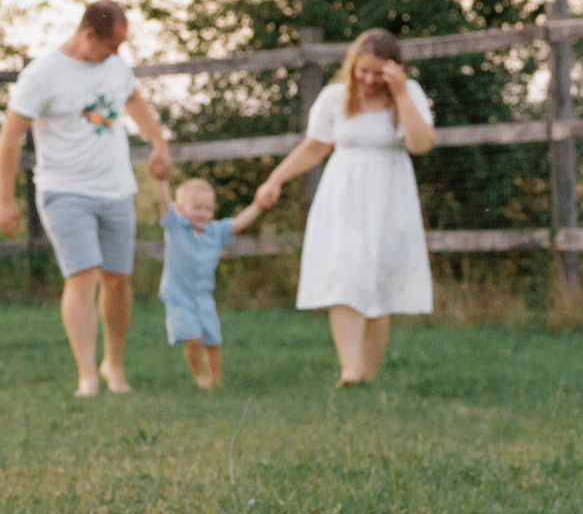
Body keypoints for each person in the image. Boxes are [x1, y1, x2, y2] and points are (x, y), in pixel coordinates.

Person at [0, 1, 173, 396]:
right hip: (64, 190)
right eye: (111, 44)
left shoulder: (115, 66)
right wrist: (5, 199)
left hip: (116, 188)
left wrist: (158, 142)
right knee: (84, 276)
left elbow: (134, 100)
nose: (117, 53)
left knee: (118, 280)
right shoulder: (42, 75)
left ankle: (115, 364)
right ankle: (87, 374)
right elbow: (9, 136)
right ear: (88, 34)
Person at [250, 28, 436, 384]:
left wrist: (400, 94)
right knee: (346, 273)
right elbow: (315, 147)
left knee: (380, 280)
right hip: (345, 194)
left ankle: (367, 373)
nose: (368, 79)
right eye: (362, 70)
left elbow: (421, 143)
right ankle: (349, 367)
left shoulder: (409, 94)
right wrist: (274, 179)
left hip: (389, 195)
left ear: (394, 70)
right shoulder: (335, 97)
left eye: (378, 72)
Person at [157, 175, 270, 391]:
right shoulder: (176, 227)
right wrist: (161, 179)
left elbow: (238, 223)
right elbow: (164, 203)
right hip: (178, 296)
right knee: (193, 339)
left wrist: (258, 205)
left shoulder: (215, 231)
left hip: (203, 297)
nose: (203, 213)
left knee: (213, 341)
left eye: (208, 209)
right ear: (181, 209)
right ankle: (199, 375)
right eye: (197, 207)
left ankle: (215, 380)